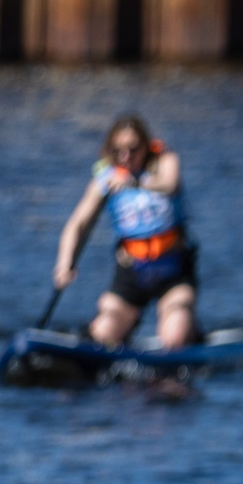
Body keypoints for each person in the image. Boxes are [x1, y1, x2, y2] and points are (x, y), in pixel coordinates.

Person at [53, 114, 195, 349]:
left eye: (133, 149)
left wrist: (134, 183)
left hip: (173, 269)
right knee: (104, 334)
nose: (126, 156)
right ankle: (123, 331)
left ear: (146, 146)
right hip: (132, 271)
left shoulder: (164, 162)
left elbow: (169, 184)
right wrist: (65, 263)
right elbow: (77, 225)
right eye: (118, 150)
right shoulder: (106, 178)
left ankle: (188, 330)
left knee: (174, 337)